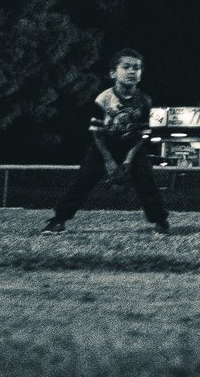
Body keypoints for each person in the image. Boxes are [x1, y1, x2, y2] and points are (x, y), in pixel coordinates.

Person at [42, 48, 169, 236]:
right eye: (126, 67)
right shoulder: (103, 99)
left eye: (137, 68)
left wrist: (128, 160)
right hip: (104, 145)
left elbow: (143, 134)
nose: (132, 71)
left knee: (146, 181)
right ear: (113, 73)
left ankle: (160, 221)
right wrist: (108, 160)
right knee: (83, 181)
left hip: (132, 145)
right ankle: (58, 220)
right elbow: (97, 133)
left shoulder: (144, 100)